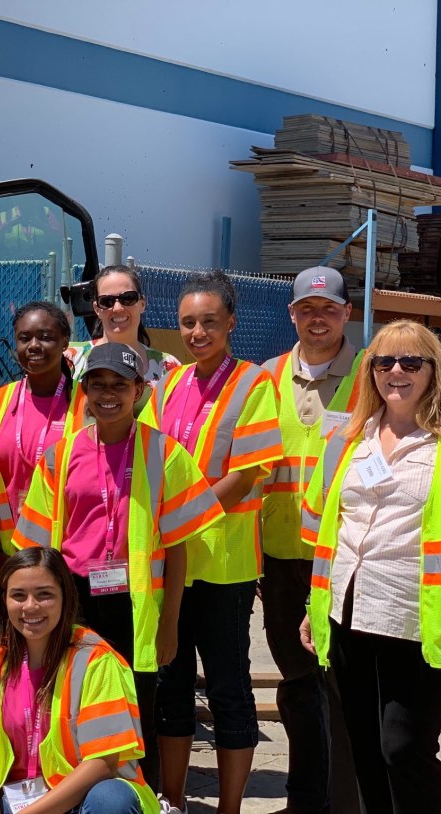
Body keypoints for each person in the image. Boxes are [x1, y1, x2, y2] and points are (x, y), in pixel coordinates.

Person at [12, 342, 224, 791]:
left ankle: (133, 797)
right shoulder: (60, 454)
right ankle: (71, 793)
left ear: (140, 392)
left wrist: (170, 625)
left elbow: (179, 547)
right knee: (71, 699)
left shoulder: (164, 454)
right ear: (84, 390)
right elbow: (35, 544)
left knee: (134, 709)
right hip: (73, 598)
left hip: (135, 603)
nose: (108, 394)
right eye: (98, 384)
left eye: (120, 385)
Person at [300, 319, 441, 814]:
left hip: (420, 619)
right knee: (366, 750)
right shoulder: (348, 440)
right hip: (348, 613)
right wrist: (315, 606)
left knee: (405, 748)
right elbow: (327, 528)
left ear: (434, 371)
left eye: (411, 362)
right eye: (384, 362)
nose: (396, 371)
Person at [140, 270, 282, 814]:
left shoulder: (253, 384)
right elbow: (147, 458)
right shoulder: (169, 386)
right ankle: (172, 800)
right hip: (172, 563)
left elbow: (246, 472)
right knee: (172, 685)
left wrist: (180, 518)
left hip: (224, 566)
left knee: (227, 687)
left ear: (230, 323)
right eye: (187, 323)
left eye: (208, 322)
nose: (197, 332)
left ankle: (228, 808)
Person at [261, 266, 361, 814]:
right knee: (297, 683)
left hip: (345, 559)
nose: (316, 318)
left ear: (347, 313)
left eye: (327, 309)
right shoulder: (268, 376)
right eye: (306, 309)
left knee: (341, 689)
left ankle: (345, 801)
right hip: (280, 559)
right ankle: (305, 799)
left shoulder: (374, 375)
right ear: (292, 315)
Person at [0, 547, 158, 814]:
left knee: (112, 800)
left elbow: (103, 764)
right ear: (4, 601)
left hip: (82, 797)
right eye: (18, 595)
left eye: (45, 594)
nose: (30, 606)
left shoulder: (96, 660)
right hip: (16, 798)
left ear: (65, 597)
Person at [0, 301, 86, 599]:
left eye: (46, 337)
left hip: (67, 565)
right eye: (25, 338)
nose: (34, 346)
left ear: (65, 341)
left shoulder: (87, 407)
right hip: (2, 564)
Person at [66, 265, 179, 411]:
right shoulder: (71, 360)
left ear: (142, 304)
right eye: (107, 301)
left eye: (128, 298)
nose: (118, 308)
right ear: (96, 309)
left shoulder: (168, 367)